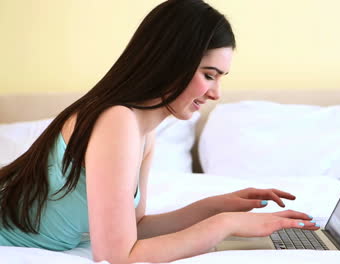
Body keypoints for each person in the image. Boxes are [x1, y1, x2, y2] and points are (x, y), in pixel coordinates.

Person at [0, 0, 319, 263]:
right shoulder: (117, 121)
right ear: (172, 62)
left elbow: (135, 228)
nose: (216, 93)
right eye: (209, 75)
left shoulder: (142, 129)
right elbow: (118, 257)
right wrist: (227, 224)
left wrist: (217, 206)